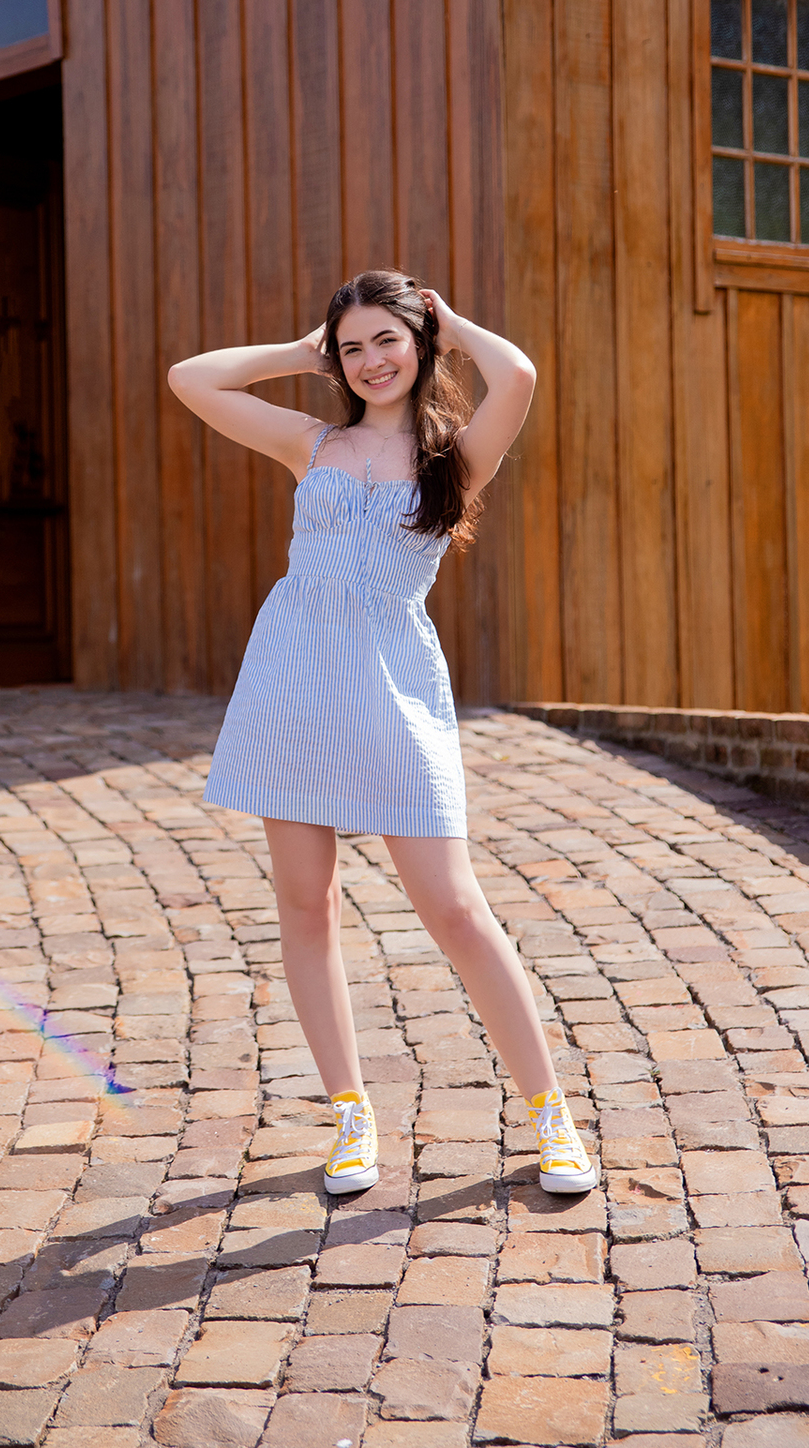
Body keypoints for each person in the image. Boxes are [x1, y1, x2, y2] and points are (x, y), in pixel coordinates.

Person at [168, 269, 595, 1197]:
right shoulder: (311, 442)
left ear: (421, 342)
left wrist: (453, 319)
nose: (369, 361)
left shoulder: (453, 460)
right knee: (304, 902)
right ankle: (351, 1116)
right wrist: (295, 353)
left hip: (393, 688)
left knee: (453, 908)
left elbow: (516, 375)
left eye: (386, 341)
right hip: (291, 682)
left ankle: (550, 1114)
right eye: (351, 347)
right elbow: (190, 379)